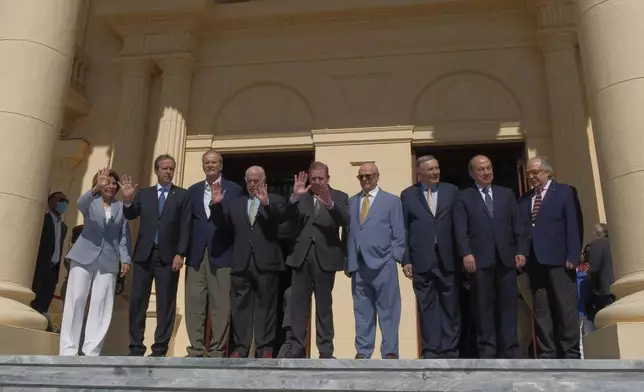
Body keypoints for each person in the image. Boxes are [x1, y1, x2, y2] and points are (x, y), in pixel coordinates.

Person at [209, 165, 286, 358]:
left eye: (256, 180)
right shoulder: (237, 203)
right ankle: (241, 347)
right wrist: (217, 205)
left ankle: (265, 347)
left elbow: (280, 223)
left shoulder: (276, 200)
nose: (253, 184)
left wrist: (266, 203)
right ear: (245, 181)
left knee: (267, 306)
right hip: (241, 262)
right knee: (240, 307)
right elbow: (223, 227)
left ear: (264, 180)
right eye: (250, 181)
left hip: (267, 263)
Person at [120, 154, 191, 357]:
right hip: (144, 255)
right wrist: (127, 200)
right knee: (137, 302)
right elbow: (130, 214)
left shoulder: (182, 195)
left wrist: (181, 253)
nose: (168, 172)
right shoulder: (144, 194)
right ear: (156, 170)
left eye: (171, 168)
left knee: (166, 303)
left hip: (169, 257)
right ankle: (135, 347)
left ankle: (160, 349)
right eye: (164, 168)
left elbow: (186, 226)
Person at [452, 155, 521, 358]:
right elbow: (460, 229)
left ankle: (510, 351)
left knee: (508, 308)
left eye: (489, 167)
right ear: (472, 173)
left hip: (506, 260)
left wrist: (520, 251)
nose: (486, 172)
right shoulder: (463, 197)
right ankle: (487, 352)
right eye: (481, 169)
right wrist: (466, 252)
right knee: (483, 309)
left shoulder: (506, 194)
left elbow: (518, 226)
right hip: (479, 261)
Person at [59, 168, 132, 356]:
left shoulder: (121, 207)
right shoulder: (90, 201)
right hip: (84, 255)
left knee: (102, 304)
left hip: (108, 259)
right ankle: (68, 350)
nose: (111, 185)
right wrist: (95, 189)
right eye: (107, 182)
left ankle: (92, 350)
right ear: (98, 183)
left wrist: (125, 258)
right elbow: (80, 203)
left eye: (114, 183)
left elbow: (124, 235)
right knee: (76, 300)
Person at [517, 156, 581, 359]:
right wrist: (521, 252)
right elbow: (523, 229)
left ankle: (570, 352)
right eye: (528, 174)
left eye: (535, 172)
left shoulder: (564, 192)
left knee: (565, 307)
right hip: (535, 263)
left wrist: (573, 254)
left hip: (560, 260)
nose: (531, 177)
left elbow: (574, 224)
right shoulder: (525, 199)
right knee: (541, 309)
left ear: (547, 172)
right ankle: (547, 353)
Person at [285, 162, 349, 359]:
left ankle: (325, 350)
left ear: (328, 178)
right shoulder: (302, 195)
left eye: (321, 178)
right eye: (314, 179)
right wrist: (295, 197)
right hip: (301, 257)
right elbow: (287, 219)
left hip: (326, 257)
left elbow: (345, 220)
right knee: (298, 306)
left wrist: (330, 204)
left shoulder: (340, 196)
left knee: (324, 306)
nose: (317, 182)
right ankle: (297, 347)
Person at [400, 155, 460, 358]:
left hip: (448, 258)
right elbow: (404, 229)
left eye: (437, 168)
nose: (435, 172)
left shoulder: (452, 191)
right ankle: (432, 350)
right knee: (426, 307)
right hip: (421, 259)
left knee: (450, 306)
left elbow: (459, 225)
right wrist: (406, 259)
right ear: (420, 175)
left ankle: (450, 350)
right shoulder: (408, 195)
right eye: (430, 170)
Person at [185, 149, 243, 358]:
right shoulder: (192, 191)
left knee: (221, 305)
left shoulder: (234, 190)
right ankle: (196, 349)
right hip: (197, 254)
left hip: (223, 253)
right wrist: (181, 251)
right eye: (207, 162)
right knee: (194, 303)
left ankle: (218, 349)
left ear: (221, 165)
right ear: (203, 165)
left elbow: (237, 224)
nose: (210, 165)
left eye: (214, 162)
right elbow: (186, 224)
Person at [347, 163, 404, 359]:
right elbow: (349, 232)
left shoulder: (391, 201)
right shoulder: (352, 201)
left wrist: (396, 256)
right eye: (361, 176)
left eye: (369, 176)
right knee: (362, 311)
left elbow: (399, 233)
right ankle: (363, 351)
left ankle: (389, 351)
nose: (365, 179)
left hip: (384, 263)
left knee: (389, 309)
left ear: (377, 176)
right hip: (359, 264)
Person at [31, 191, 69, 322]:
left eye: (65, 201)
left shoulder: (64, 227)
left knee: (44, 303)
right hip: (40, 267)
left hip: (53, 270)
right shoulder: (43, 220)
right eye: (61, 200)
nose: (64, 203)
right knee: (33, 301)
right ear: (51, 202)